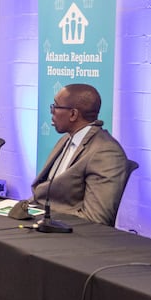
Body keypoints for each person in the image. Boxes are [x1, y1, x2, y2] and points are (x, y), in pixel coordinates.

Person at [31, 84, 129, 226]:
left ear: (73, 114)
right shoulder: (66, 139)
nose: (51, 112)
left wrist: (49, 216)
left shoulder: (106, 152)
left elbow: (96, 218)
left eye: (55, 107)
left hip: (72, 236)